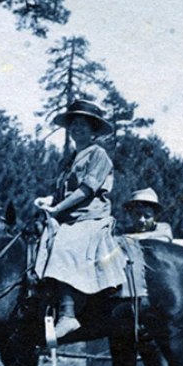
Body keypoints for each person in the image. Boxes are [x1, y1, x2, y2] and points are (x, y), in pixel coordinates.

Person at [34, 100, 126, 340]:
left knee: (64, 243)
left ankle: (68, 315)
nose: (78, 128)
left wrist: (57, 209)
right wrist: (48, 200)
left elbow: (86, 189)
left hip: (89, 217)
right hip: (68, 215)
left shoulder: (99, 155)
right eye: (74, 124)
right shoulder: (70, 158)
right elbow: (62, 191)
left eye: (84, 125)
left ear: (94, 130)